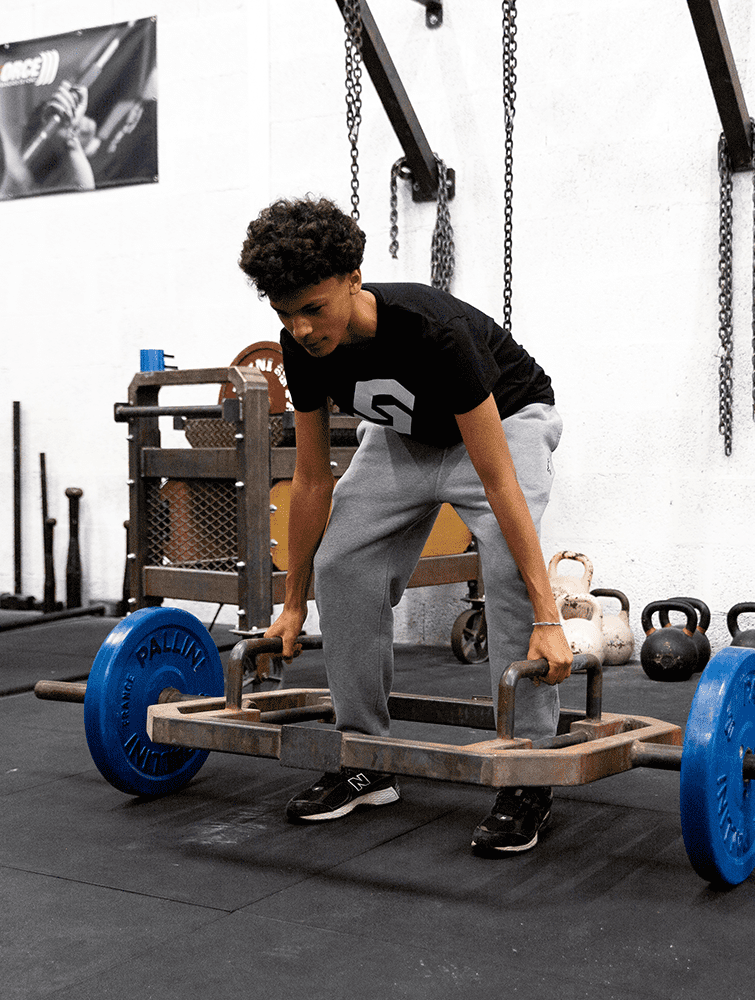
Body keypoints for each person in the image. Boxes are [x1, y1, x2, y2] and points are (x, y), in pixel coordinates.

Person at [237, 196, 573, 856]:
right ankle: (366, 757)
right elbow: (310, 481)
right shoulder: (302, 350)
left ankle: (529, 771)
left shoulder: (432, 331)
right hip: (407, 435)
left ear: (353, 281)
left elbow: (498, 478)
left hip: (503, 423)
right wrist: (291, 602)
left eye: (314, 308)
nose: (301, 329)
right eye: (285, 313)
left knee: (506, 564)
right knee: (344, 562)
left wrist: (549, 617)